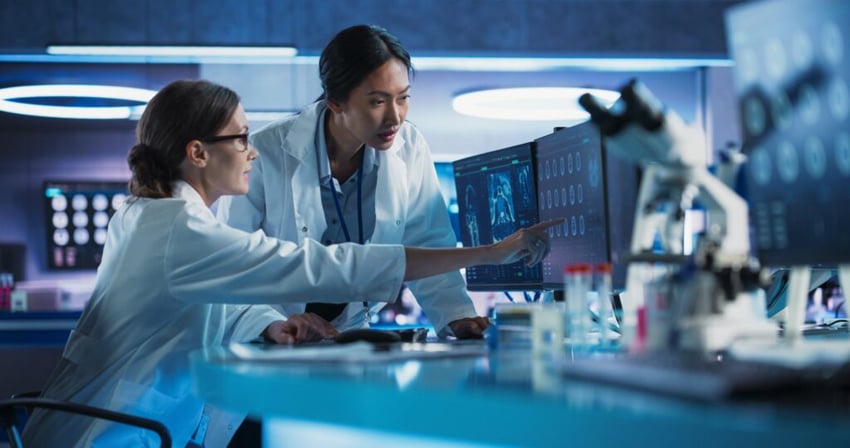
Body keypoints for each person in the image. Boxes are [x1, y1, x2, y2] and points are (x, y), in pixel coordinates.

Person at [21, 79, 557, 448]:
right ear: (198, 153)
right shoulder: (175, 229)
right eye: (241, 138)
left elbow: (204, 304)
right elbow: (321, 266)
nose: (253, 152)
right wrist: (489, 252)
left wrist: (273, 324)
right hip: (113, 433)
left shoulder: (158, 218)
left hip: (125, 422)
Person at [218, 24, 493, 338]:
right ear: (336, 101)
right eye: (377, 102)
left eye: (403, 98)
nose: (395, 117)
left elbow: (426, 241)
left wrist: (456, 315)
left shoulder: (410, 147)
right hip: (276, 334)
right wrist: (270, 325)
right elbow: (231, 265)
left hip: (351, 335)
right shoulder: (265, 152)